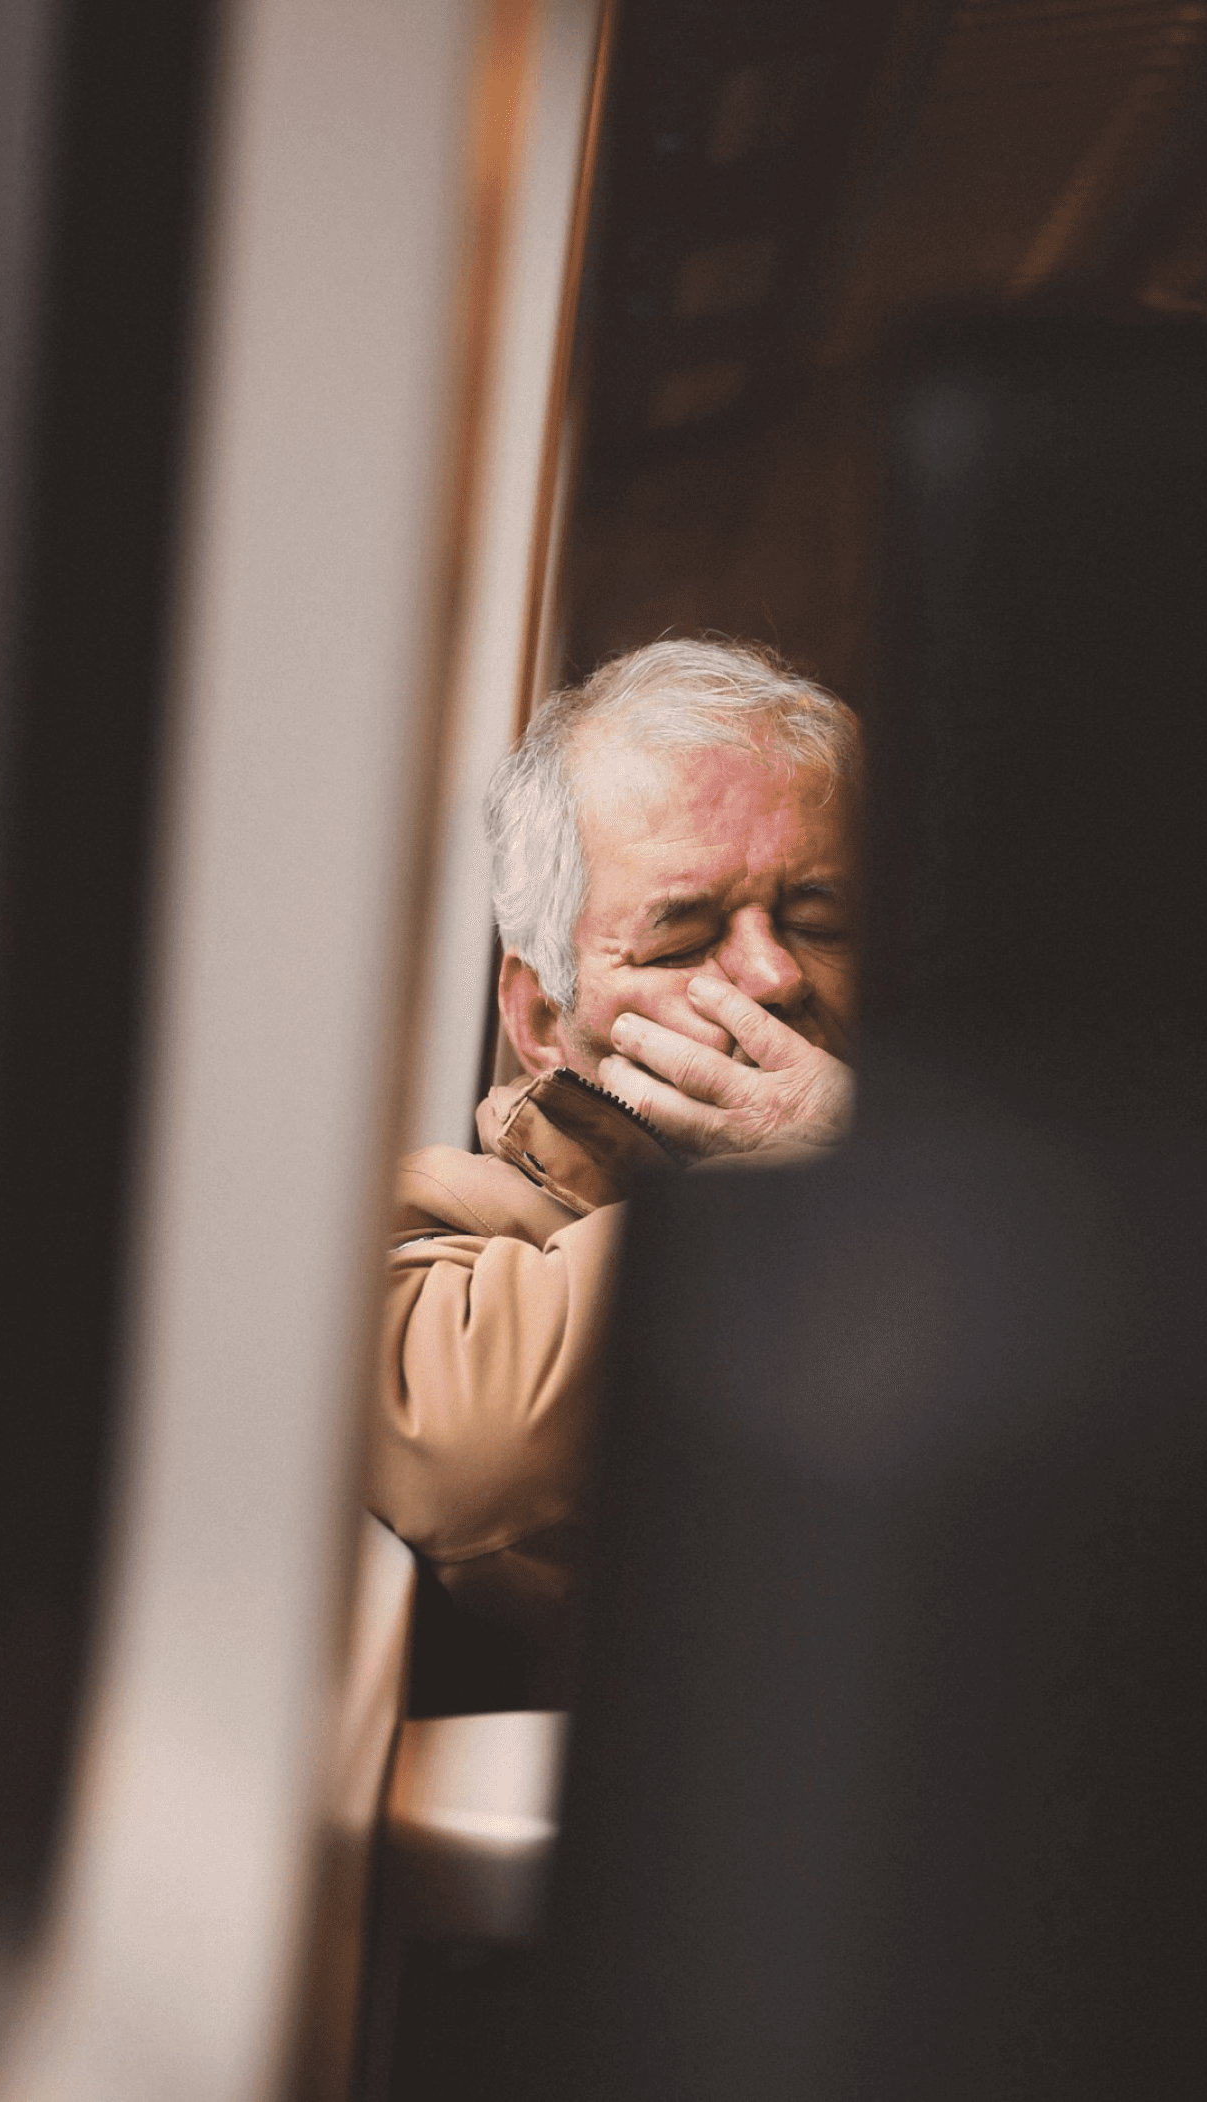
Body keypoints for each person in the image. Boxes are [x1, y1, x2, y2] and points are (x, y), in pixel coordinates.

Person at [372, 638, 860, 1689]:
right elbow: (467, 1456)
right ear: (541, 1016)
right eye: (684, 942)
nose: (773, 974)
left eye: (820, 921)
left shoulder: (935, 1183)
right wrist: (806, 1176)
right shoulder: (430, 1222)